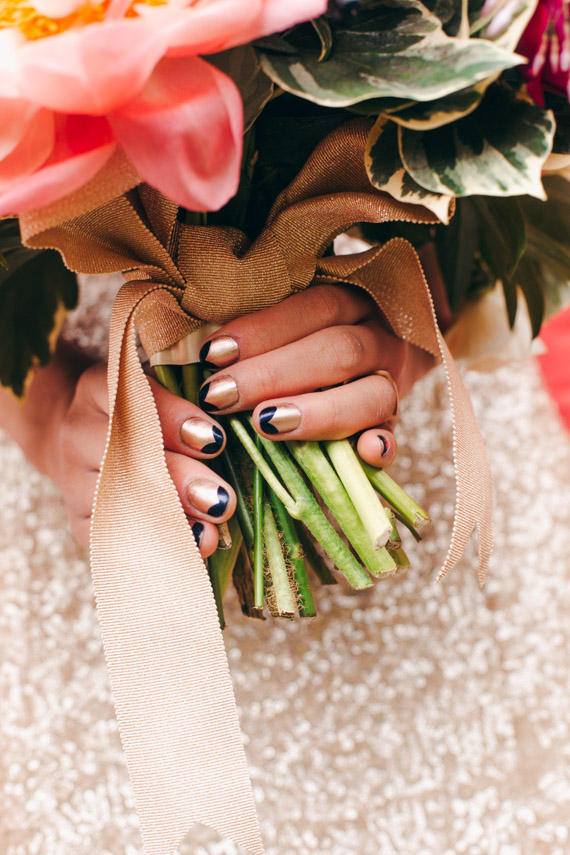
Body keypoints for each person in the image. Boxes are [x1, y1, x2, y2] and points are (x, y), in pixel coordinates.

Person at [2, 270, 570, 855]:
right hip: (97, 446)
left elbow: (543, 200)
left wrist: (410, 329)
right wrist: (47, 415)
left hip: (417, 421)